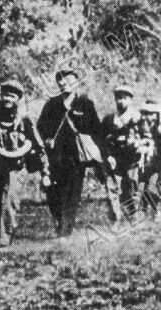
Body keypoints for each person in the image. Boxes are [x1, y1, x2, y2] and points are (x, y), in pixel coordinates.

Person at [36, 67, 105, 237]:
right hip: (55, 158)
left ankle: (65, 230)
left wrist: (100, 156)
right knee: (52, 192)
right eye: (61, 80)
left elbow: (96, 130)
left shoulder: (85, 104)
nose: (64, 83)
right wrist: (46, 139)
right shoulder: (52, 104)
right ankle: (60, 220)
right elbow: (40, 126)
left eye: (69, 80)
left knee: (72, 193)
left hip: (76, 158)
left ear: (76, 82)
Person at [0, 80, 50, 246]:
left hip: (16, 166)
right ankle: (3, 228)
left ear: (18, 98)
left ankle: (5, 234)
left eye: (12, 95)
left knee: (10, 199)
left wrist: (45, 171)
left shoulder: (25, 120)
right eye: (5, 94)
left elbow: (38, 145)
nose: (8, 98)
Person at [101, 85, 146, 223]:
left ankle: (134, 214)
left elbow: (146, 137)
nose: (121, 101)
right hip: (115, 157)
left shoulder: (137, 117)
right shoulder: (109, 118)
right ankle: (116, 218)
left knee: (131, 187)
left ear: (131, 100)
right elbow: (103, 139)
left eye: (125, 98)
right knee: (113, 187)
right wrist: (107, 155)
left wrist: (138, 145)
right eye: (118, 98)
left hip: (132, 158)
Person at [137, 100, 161, 220]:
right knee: (144, 185)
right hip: (150, 159)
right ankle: (144, 209)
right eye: (145, 113)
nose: (148, 116)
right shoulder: (142, 125)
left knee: (156, 185)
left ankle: (158, 210)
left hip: (158, 159)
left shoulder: (159, 127)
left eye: (151, 114)